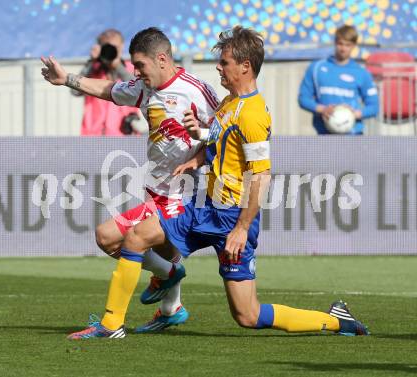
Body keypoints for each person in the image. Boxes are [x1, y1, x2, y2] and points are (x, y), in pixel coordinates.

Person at [56, 26, 369, 339]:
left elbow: (260, 175)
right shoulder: (230, 103)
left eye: (225, 62)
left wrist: (242, 228)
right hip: (202, 206)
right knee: (135, 238)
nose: (219, 66)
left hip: (232, 217)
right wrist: (199, 155)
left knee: (248, 315)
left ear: (245, 66)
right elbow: (220, 140)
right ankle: (112, 325)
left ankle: (335, 321)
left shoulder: (253, 114)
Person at [41, 27, 219, 336]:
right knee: (155, 251)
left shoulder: (196, 90)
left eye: (140, 65)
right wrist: (66, 79)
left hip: (182, 196)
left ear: (162, 59)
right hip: (156, 190)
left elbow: (224, 134)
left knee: (108, 237)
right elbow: (110, 89)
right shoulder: (144, 88)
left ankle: (116, 321)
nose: (135, 71)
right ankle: (171, 309)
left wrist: (199, 155)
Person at [298, 24, 379, 135]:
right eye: (340, 44)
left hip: (354, 135)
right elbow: (303, 99)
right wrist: (323, 110)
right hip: (324, 134)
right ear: (335, 42)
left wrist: (354, 114)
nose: (343, 49)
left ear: (354, 46)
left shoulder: (362, 73)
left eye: (348, 45)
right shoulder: (316, 68)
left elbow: (374, 107)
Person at [72, 28, 147, 136]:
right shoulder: (93, 69)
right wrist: (91, 62)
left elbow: (140, 89)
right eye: (106, 47)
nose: (110, 51)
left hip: (124, 135)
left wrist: (117, 66)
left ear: (121, 47)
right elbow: (75, 92)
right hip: (93, 134)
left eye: (114, 47)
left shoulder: (131, 68)